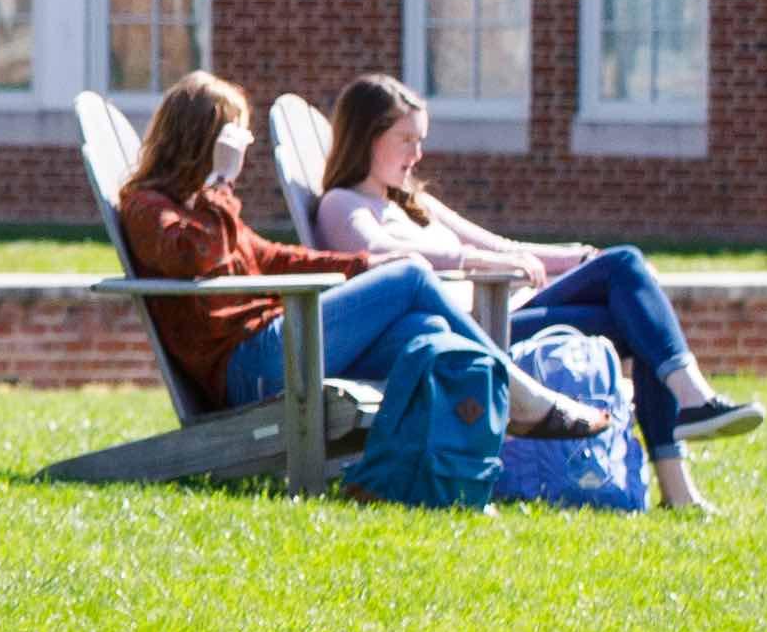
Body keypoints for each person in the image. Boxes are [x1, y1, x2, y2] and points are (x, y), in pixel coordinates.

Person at [302, 73, 763, 512]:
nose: (418, 154)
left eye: (421, 140)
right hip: (476, 333)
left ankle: (682, 467)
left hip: (508, 311)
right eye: (407, 140)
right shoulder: (342, 205)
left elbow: (503, 246)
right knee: (628, 278)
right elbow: (380, 253)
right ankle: (691, 404)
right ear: (368, 137)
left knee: (626, 275)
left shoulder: (415, 205)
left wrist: (577, 257)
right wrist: (482, 264)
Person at [107, 68, 607, 453]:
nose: (248, 148)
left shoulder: (208, 209)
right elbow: (192, 259)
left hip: (279, 347)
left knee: (426, 329)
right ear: (204, 141)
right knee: (410, 273)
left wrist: (361, 267)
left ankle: (453, 471)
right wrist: (220, 183)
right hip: (251, 369)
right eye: (236, 138)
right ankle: (521, 395)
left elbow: (272, 257)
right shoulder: (148, 207)